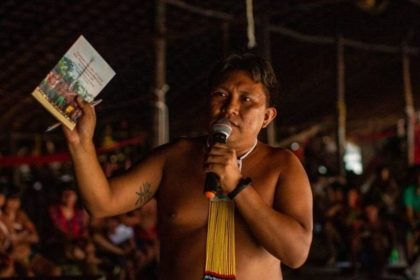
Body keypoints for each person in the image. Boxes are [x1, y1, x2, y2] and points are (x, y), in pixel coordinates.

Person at [63, 53, 313, 279]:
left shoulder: (282, 166)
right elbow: (100, 203)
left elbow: (296, 254)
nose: (230, 108)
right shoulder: (175, 158)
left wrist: (237, 186)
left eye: (246, 99)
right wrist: (81, 143)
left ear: (267, 116)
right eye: (221, 95)